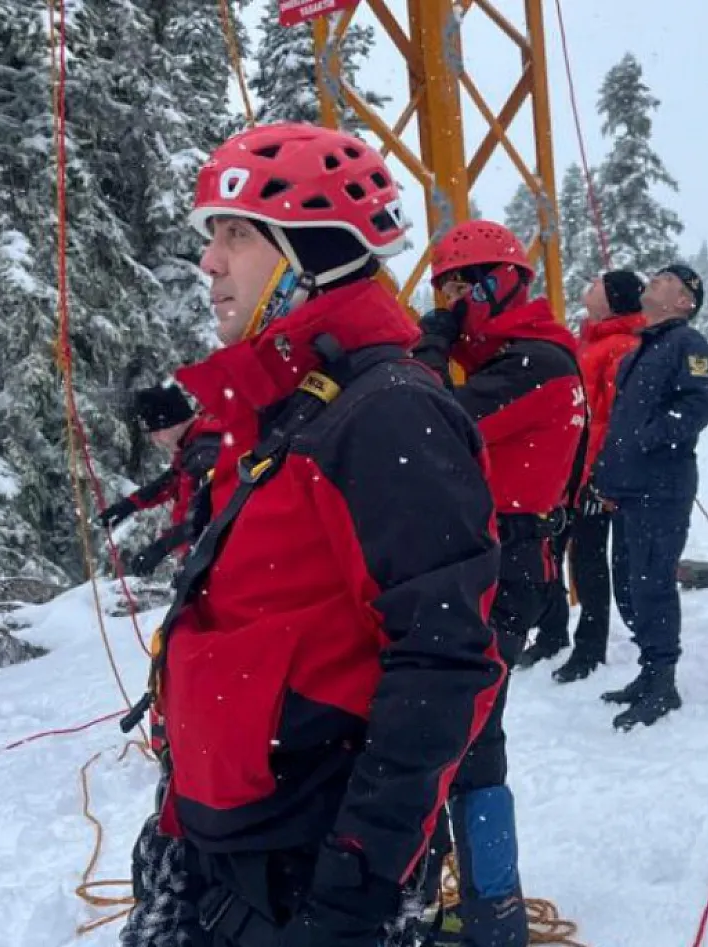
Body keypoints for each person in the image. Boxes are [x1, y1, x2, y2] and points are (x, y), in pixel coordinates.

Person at [119, 121, 504, 947]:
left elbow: (443, 661)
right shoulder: (291, 403)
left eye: (236, 234)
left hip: (305, 859)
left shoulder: (388, 411)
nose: (209, 262)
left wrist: (354, 882)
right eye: (210, 236)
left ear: (317, 252)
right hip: (219, 831)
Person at [413, 218, 585, 947]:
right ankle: (488, 909)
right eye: (442, 291)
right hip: (495, 559)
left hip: (500, 564)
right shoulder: (519, 356)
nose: (450, 303)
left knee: (447, 732)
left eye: (457, 288)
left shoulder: (535, 363)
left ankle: (476, 910)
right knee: (469, 735)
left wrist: (431, 343)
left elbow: (422, 423)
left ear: (491, 284)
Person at [589, 263, 708, 730]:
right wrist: (608, 473)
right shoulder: (642, 348)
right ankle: (648, 671)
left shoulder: (688, 343)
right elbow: (618, 421)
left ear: (685, 302)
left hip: (662, 485)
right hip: (629, 485)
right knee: (630, 582)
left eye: (667, 282)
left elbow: (699, 404)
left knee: (653, 583)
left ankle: (663, 680)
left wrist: (649, 438)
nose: (655, 283)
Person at [518, 270, 647, 680]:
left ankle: (590, 647)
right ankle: (552, 633)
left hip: (592, 475)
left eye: (598, 285)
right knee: (550, 552)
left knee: (588, 560)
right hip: (566, 469)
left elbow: (616, 421)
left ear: (612, 299)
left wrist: (600, 475)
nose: (589, 287)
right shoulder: (589, 342)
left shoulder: (622, 348)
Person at [98, 387, 221, 577]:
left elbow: (211, 515)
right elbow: (171, 480)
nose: (155, 440)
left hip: (217, 559)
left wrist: (162, 547)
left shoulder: (206, 454)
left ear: (173, 422)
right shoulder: (194, 446)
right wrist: (128, 505)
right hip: (206, 556)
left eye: (156, 431)